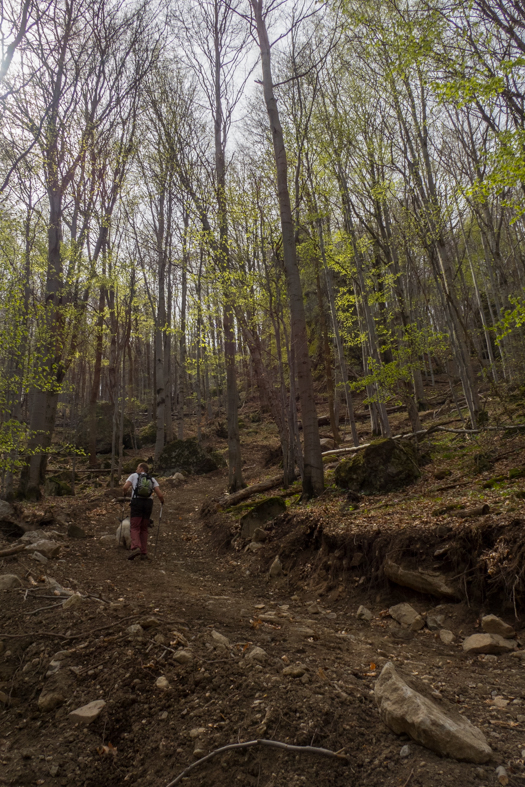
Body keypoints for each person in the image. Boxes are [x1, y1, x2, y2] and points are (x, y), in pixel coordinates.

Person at [122, 462, 164, 561]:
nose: (136, 470)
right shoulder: (152, 479)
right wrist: (162, 501)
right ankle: (143, 552)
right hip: (148, 504)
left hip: (137, 502)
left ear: (141, 469)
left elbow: (125, 487)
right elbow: (160, 495)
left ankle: (136, 546)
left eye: (137, 468)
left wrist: (124, 494)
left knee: (135, 526)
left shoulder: (133, 476)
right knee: (144, 528)